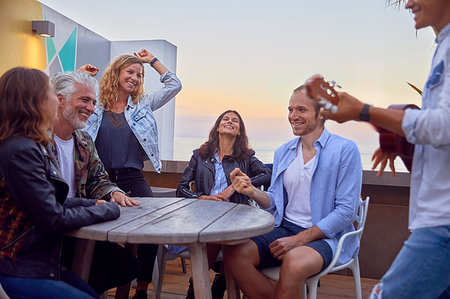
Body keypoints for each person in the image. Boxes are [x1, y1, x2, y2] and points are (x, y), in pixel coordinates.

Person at [310, 1, 450, 298]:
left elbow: (444, 125)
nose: (408, 3)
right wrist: (397, 141)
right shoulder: (443, 45)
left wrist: (363, 111)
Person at [224, 85, 362, 299]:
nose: (293, 116)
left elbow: (346, 212)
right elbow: (275, 202)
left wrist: (298, 240)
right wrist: (251, 191)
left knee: (294, 262)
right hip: (285, 229)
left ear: (322, 113)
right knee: (234, 254)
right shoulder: (283, 152)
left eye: (301, 110)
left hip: (326, 237)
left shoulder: (344, 150)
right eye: (290, 110)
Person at [0, 67, 120, 299]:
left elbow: (51, 201)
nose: (56, 99)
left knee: (116, 267)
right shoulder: (21, 150)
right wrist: (107, 209)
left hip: (36, 259)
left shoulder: (27, 145)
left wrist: (92, 203)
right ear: (34, 100)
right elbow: (53, 217)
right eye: (51, 93)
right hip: (16, 265)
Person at [84, 49, 182, 299]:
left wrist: (152, 62)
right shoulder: (94, 104)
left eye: (139, 75)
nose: (136, 78)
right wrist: (79, 75)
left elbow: (174, 85)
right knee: (96, 231)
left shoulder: (143, 104)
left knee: (153, 228)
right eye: (130, 72)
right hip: (99, 179)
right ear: (116, 73)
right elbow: (61, 93)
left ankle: (141, 288)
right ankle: (98, 286)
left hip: (132, 176)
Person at [50, 70, 140, 295]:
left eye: (93, 102)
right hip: (50, 233)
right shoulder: (36, 140)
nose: (91, 108)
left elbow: (98, 179)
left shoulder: (84, 140)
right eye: (84, 100)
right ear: (60, 100)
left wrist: (112, 192)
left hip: (78, 225)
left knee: (128, 266)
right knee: (95, 275)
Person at [176, 110, 272, 299]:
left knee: (227, 234)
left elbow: (266, 174)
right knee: (216, 233)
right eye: (225, 119)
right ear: (218, 127)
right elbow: (181, 187)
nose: (229, 122)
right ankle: (209, 287)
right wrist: (202, 197)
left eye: (235, 121)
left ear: (239, 131)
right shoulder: (199, 155)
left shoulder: (246, 157)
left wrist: (236, 187)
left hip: (235, 214)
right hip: (203, 214)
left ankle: (204, 288)